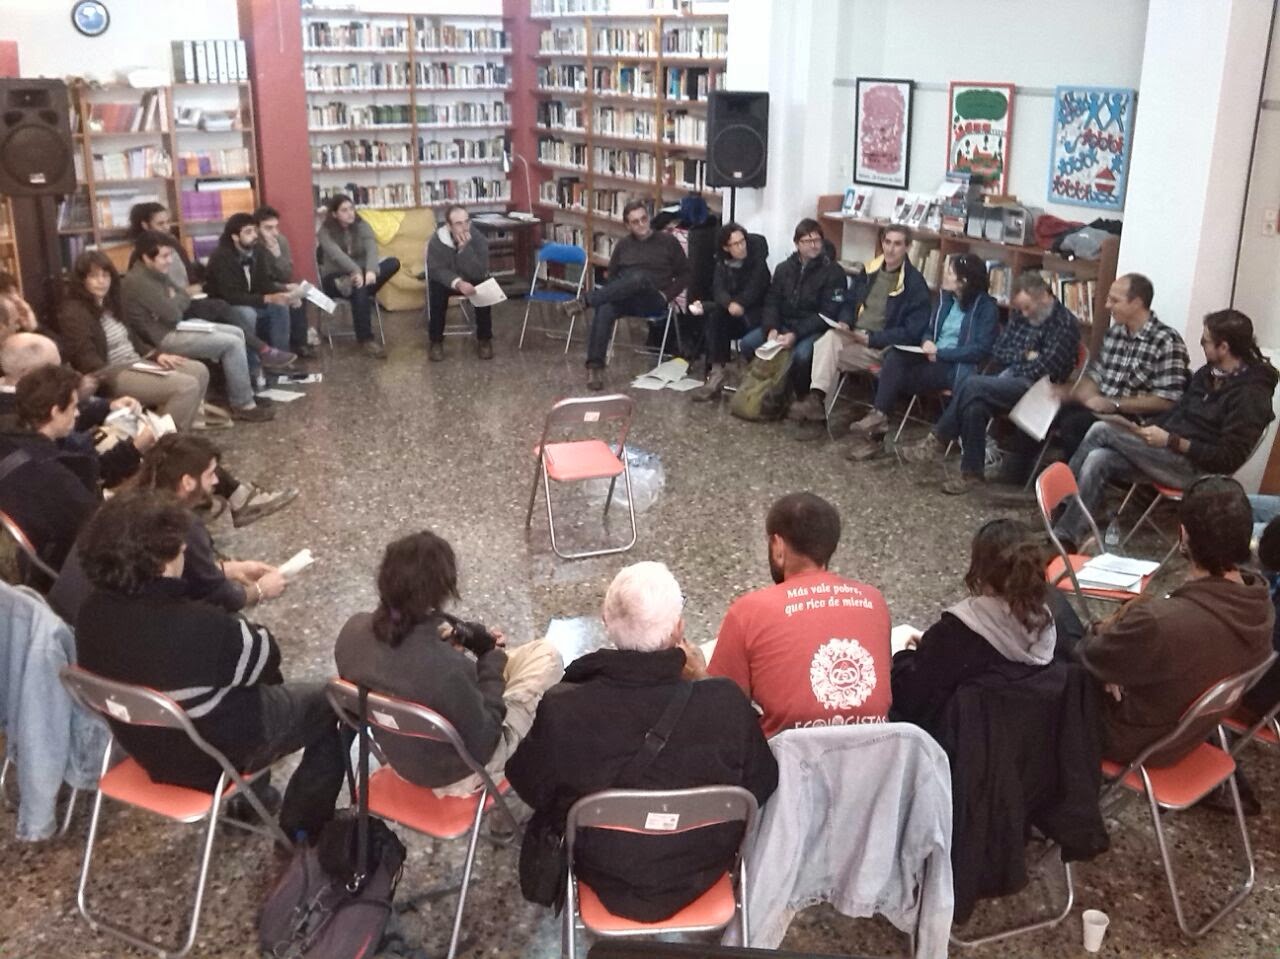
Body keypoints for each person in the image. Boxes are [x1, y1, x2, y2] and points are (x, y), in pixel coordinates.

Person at [506, 561, 778, 922]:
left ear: (606, 620)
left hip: (600, 868)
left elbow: (527, 783)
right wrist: (703, 680)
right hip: (702, 868)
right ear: (678, 628)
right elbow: (762, 783)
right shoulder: (725, 703)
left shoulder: (564, 707)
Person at [74, 491, 349, 840]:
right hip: (210, 759)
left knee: (230, 689)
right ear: (160, 564)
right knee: (334, 701)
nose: (185, 549)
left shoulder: (90, 614)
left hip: (145, 746)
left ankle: (255, 802)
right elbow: (267, 654)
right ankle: (302, 827)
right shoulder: (201, 627)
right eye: (178, 547)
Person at [335, 530, 562, 795]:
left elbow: (400, 665)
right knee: (547, 657)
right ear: (442, 591)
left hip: (402, 761)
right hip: (459, 773)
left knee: (516, 661)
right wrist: (490, 662)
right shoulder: (445, 670)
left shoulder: (351, 632)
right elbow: (487, 739)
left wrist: (445, 641)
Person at [1077, 476, 1273, 766]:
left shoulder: (1161, 622)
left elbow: (1089, 657)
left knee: (1060, 629)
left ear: (1183, 534)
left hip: (1134, 740)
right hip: (1189, 734)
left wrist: (1100, 630)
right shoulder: (1261, 605)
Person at [1053, 309, 1279, 552]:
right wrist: (1146, 430)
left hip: (1198, 470)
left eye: (1205, 341)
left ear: (1223, 347)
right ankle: (1066, 535)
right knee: (1098, 458)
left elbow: (1228, 459)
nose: (1201, 344)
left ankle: (1059, 501)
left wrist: (1172, 441)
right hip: (1167, 453)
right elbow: (1178, 412)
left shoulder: (1251, 396)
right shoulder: (1208, 374)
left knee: (1101, 430)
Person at [50, 433, 299, 626]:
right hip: (107, 627)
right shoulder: (178, 524)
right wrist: (260, 590)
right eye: (210, 474)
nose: (216, 481)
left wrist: (229, 568)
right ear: (187, 482)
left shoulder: (122, 502)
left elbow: (183, 571)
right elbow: (218, 597)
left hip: (76, 616)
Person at [699, 492, 892, 736]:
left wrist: (697, 675)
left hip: (786, 758)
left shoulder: (748, 611)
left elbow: (720, 710)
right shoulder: (874, 601)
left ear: (778, 546)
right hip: (874, 755)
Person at [901, 271, 1080, 495]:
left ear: (1044, 296)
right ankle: (972, 474)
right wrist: (1026, 355)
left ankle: (939, 439)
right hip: (1008, 379)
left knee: (972, 385)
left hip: (1041, 390)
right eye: (1021, 308)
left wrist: (1019, 361)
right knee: (974, 405)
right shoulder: (1021, 315)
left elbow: (1047, 368)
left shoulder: (1064, 324)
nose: (1025, 314)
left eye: (1028, 308)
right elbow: (999, 350)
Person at [890, 519, 1057, 733]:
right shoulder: (1053, 619)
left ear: (981, 570)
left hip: (959, 742)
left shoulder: (957, 630)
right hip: (1030, 740)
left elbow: (910, 695)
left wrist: (901, 655)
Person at [844, 253, 999, 461]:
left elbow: (980, 349)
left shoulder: (986, 308)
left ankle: (876, 436)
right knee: (895, 357)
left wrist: (941, 353)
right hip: (930, 356)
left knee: (892, 377)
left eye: (950, 273)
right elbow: (928, 328)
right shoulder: (945, 299)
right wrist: (927, 341)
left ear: (963, 281)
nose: (944, 276)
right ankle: (879, 416)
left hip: (954, 366)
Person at [788, 223, 930, 434]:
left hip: (882, 347)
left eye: (897, 244)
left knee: (827, 355)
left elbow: (912, 331)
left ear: (908, 247)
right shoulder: (870, 270)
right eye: (887, 242)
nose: (890, 249)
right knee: (828, 339)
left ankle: (817, 412)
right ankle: (816, 399)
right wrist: (845, 321)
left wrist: (873, 338)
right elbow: (849, 301)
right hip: (855, 334)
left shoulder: (915, 284)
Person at [121, 231, 274, 422]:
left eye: (170, 255)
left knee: (237, 332)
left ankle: (242, 391)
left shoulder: (155, 273)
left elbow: (181, 296)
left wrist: (175, 298)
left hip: (173, 326)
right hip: (161, 337)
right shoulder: (138, 281)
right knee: (232, 344)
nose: (170, 261)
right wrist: (177, 298)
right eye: (164, 256)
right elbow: (175, 311)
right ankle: (243, 404)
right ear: (146, 257)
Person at [53, 250, 210, 431]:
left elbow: (133, 340)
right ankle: (164, 441)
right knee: (185, 386)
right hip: (112, 374)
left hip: (136, 362)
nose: (102, 281)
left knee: (199, 370)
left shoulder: (110, 303)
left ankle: (176, 429)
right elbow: (87, 361)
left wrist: (157, 356)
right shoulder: (73, 312)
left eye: (105, 275)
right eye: (94, 276)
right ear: (82, 280)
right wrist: (138, 369)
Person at [1041, 273, 1189, 464]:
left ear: (1136, 303)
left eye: (1114, 301)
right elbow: (1097, 374)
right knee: (1049, 409)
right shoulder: (1115, 333)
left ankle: (1072, 478)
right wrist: (1079, 392)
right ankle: (1023, 473)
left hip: (1134, 419)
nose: (1107, 305)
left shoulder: (1167, 341)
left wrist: (1114, 404)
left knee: (1074, 424)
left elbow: (1167, 400)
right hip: (1102, 408)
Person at [564, 201, 688, 391]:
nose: (642, 224)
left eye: (644, 219)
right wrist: (618, 290)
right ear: (627, 226)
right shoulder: (623, 245)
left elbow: (685, 274)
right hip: (627, 299)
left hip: (654, 298)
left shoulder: (668, 241)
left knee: (638, 277)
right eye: (635, 222)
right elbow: (613, 278)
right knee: (605, 307)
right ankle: (595, 367)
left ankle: (585, 301)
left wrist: (667, 295)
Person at [0, 364, 100, 578]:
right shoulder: (56, 477)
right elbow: (97, 529)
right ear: (55, 411)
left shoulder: (7, 440)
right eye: (74, 407)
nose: (78, 413)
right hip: (47, 572)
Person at [737, 218, 847, 407]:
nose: (814, 245)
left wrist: (795, 334)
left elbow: (827, 314)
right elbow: (772, 301)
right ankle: (769, 387)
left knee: (802, 356)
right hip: (782, 324)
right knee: (747, 344)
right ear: (797, 244)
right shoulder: (784, 269)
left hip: (812, 329)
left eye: (817, 240)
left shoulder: (834, 272)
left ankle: (800, 397)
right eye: (808, 241)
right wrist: (771, 328)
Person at [689, 222, 770, 401]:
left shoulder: (758, 263)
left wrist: (738, 303)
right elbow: (718, 290)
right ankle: (717, 372)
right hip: (731, 314)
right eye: (736, 244)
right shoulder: (722, 264)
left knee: (715, 311)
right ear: (726, 248)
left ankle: (706, 306)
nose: (742, 247)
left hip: (755, 315)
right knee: (716, 316)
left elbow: (755, 290)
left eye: (743, 241)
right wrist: (729, 304)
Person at [202, 212, 298, 363]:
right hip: (226, 306)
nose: (254, 235)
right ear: (235, 237)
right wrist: (266, 298)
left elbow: (264, 283)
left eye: (254, 230)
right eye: (248, 232)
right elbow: (230, 295)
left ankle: (280, 358)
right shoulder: (221, 256)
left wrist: (285, 295)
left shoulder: (258, 251)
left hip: (251, 299)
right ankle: (252, 364)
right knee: (247, 313)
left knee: (280, 306)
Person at [316, 193, 400, 359]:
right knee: (359, 287)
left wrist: (371, 270)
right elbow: (337, 255)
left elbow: (371, 247)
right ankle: (366, 340)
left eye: (351, 208)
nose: (350, 213)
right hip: (335, 276)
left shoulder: (362, 225)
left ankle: (359, 286)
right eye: (344, 210)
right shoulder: (325, 232)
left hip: (363, 273)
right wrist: (356, 271)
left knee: (393, 263)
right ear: (334, 214)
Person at [424, 204, 496, 362]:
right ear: (449, 225)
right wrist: (458, 283)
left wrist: (464, 250)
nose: (464, 227)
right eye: (458, 223)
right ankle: (436, 341)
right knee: (436, 290)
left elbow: (480, 270)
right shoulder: (437, 240)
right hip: (449, 281)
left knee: (483, 285)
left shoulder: (478, 238)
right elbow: (436, 270)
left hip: (472, 277)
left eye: (466, 222)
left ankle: (484, 339)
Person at [255, 204, 316, 358]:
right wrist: (284, 288)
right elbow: (260, 281)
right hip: (260, 289)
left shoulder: (280, 241)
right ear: (257, 229)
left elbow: (286, 273)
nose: (274, 233)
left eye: (276, 227)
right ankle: (283, 350)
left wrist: (277, 256)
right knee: (288, 296)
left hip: (278, 283)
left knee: (301, 292)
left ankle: (300, 343)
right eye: (268, 228)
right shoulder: (254, 245)